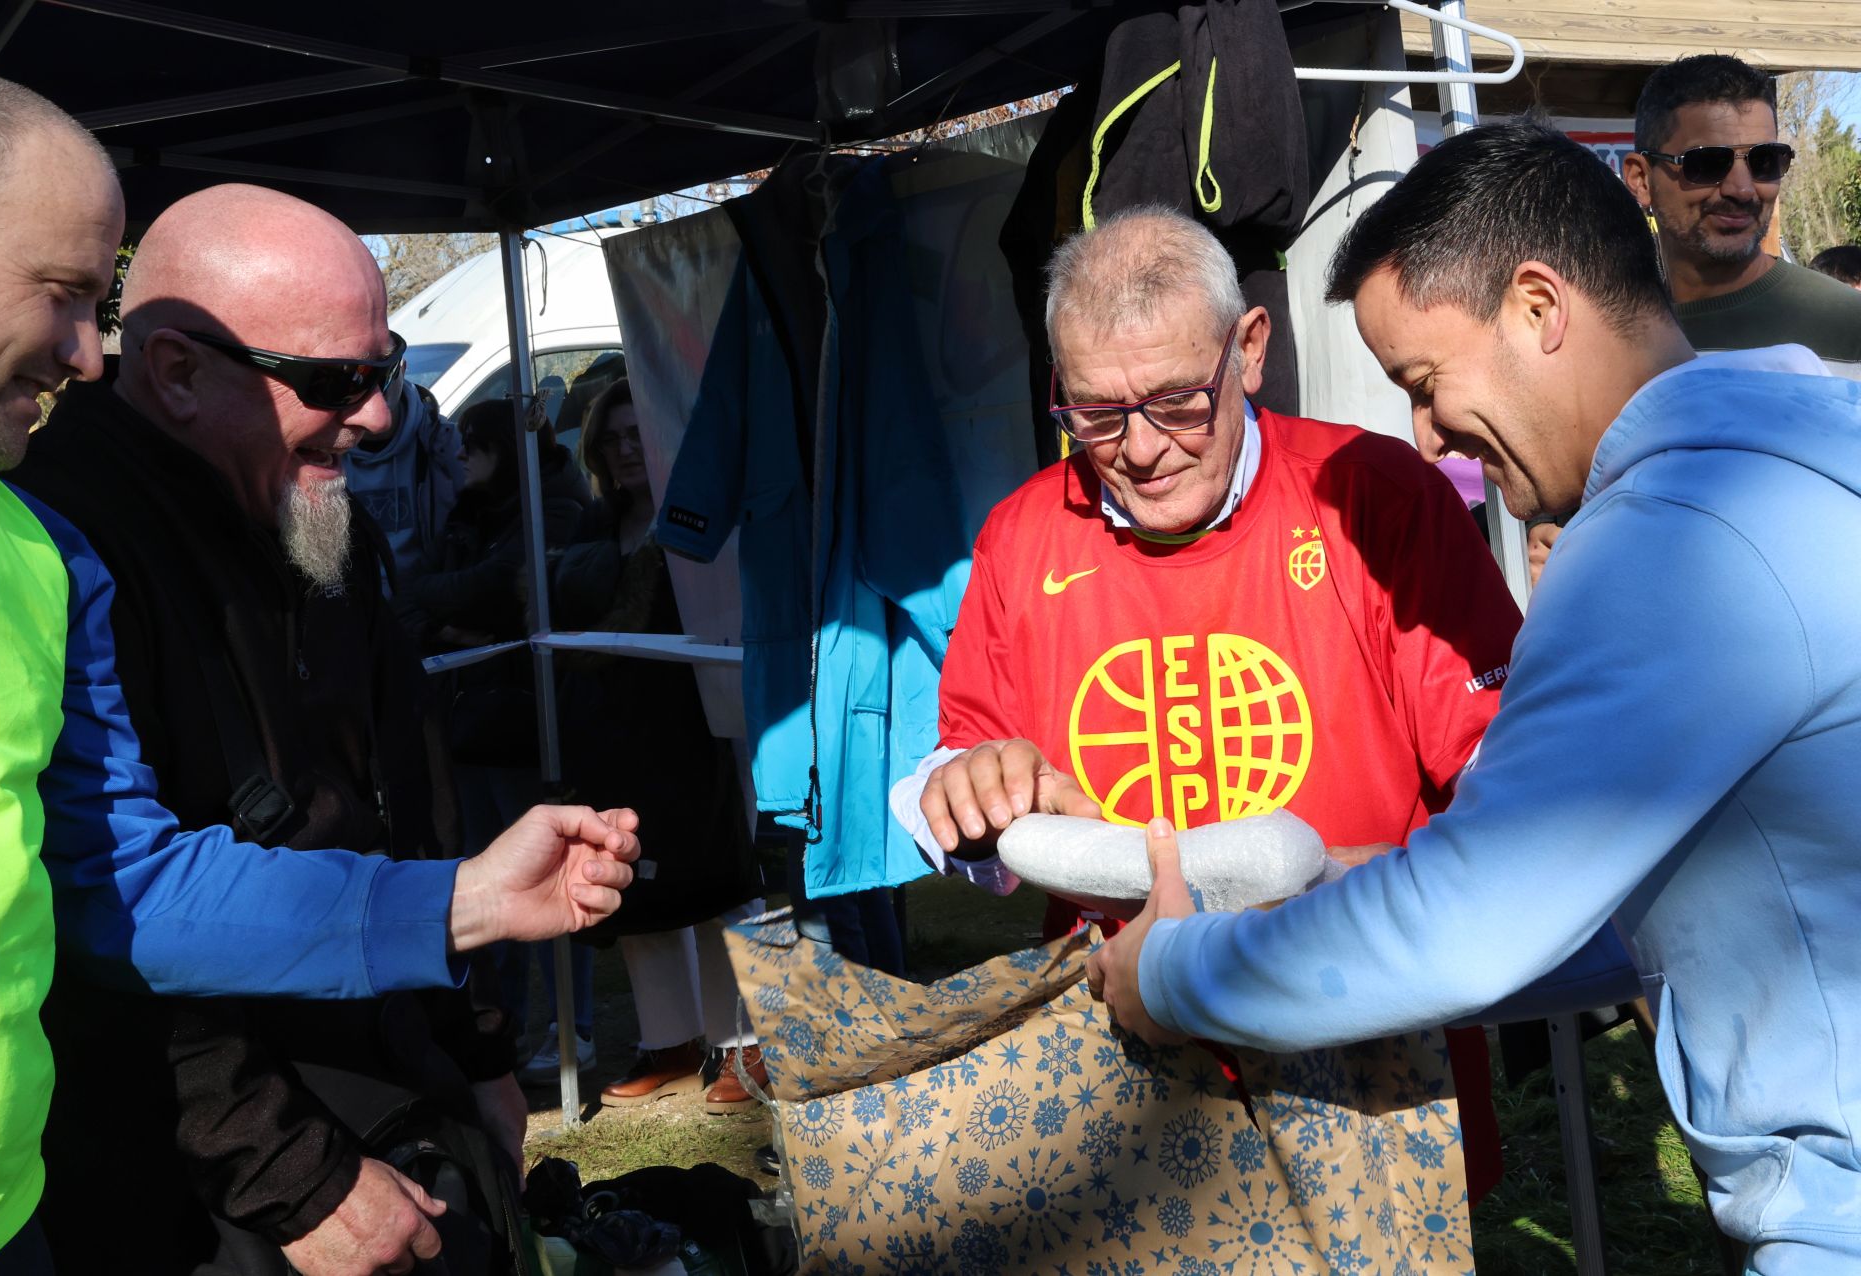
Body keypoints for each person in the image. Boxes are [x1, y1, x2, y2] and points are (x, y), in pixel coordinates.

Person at [1089, 119, 1861, 1275]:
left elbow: (1470, 925)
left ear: (1540, 308)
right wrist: (1345, 887)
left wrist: (1172, 973)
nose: (1427, 431)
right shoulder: (1794, 452)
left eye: (1426, 380)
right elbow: (1617, 908)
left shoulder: (1672, 541)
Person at [0, 65, 639, 1276]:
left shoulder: (20, 549)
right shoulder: (77, 519)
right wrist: (284, 1168)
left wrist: (464, 906)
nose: (83, 353)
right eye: (60, 294)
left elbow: (123, 882)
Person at [901, 205, 1523, 1202]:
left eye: (1177, 402)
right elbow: (964, 769)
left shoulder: (1372, 496)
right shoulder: (1024, 535)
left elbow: (1512, 784)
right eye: (1097, 413)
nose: (1140, 448)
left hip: (1359, 1046)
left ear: (1250, 350)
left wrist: (1328, 881)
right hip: (1126, 1069)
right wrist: (967, 791)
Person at [558, 379, 768, 1114]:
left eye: (633, 436)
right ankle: (671, 1041)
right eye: (609, 439)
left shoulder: (698, 522)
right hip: (616, 732)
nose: (621, 450)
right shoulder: (589, 529)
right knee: (635, 887)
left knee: (717, 885)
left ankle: (743, 1045)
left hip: (698, 725)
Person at [402, 396, 596, 1078]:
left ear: (502, 453)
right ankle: (505, 1023)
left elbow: (494, 587)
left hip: (523, 720)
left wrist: (445, 599)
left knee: (548, 880)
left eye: (472, 448)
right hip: (470, 721)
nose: (458, 460)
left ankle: (576, 1028)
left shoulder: (552, 507)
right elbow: (437, 596)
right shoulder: (470, 514)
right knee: (487, 884)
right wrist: (451, 615)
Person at [1621, 54, 1861, 377]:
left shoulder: (1848, 330)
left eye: (1764, 161)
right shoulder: (1610, 337)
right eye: (1706, 163)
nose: (1742, 190)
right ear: (1641, 180)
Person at [344, 364, 463, 594]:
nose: (377, 389)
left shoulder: (446, 445)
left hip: (430, 604)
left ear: (403, 369)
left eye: (385, 375)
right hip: (355, 608)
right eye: (363, 377)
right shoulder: (322, 455)